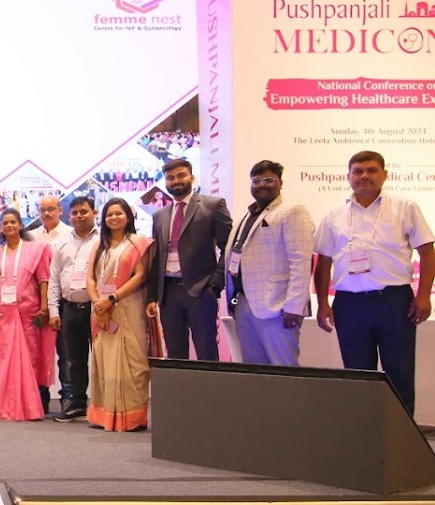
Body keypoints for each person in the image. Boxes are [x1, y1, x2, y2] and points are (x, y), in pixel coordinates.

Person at [314, 150, 435, 416]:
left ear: (385, 174)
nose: (364, 176)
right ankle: (364, 431)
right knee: (358, 374)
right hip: (350, 304)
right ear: (348, 177)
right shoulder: (334, 215)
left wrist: (423, 295)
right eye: (358, 171)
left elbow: (427, 252)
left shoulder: (405, 207)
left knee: (399, 371)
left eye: (371, 170)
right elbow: (323, 262)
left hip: (394, 301)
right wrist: (322, 303)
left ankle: (402, 432)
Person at [223, 160, 315, 367]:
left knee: (284, 368)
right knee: (253, 369)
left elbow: (301, 261)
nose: (262, 185)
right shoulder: (246, 216)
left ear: (280, 182)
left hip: (277, 306)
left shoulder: (292, 211)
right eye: (256, 181)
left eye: (268, 180)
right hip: (244, 302)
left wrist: (295, 306)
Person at [146, 158, 232, 361]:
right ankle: (179, 385)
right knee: (175, 354)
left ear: (191, 177)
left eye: (181, 175)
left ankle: (208, 385)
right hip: (169, 293)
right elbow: (156, 258)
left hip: (200, 291)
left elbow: (229, 248)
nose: (176, 181)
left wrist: (214, 284)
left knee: (206, 352)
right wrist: (152, 296)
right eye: (170, 178)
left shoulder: (212, 206)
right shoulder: (160, 215)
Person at [87, 197, 155, 432]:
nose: (114, 218)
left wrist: (112, 298)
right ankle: (105, 415)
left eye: (118, 213)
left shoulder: (138, 244)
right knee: (105, 359)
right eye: (109, 214)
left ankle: (133, 417)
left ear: (128, 216)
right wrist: (98, 303)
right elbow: (90, 278)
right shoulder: (99, 245)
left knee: (135, 361)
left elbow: (141, 275)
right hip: (101, 310)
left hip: (128, 306)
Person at [0, 208, 51, 421]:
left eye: (13, 222)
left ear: (20, 225)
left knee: (29, 357)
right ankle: (3, 404)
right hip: (2, 314)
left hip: (28, 313)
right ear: (1, 228)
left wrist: (45, 307)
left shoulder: (36, 249)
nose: (9, 225)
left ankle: (29, 405)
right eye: (5, 223)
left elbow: (43, 280)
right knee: (2, 358)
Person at [48, 196, 100, 422]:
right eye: (75, 212)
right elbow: (54, 278)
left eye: (84, 212)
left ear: (94, 213)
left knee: (101, 358)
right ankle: (77, 404)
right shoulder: (62, 241)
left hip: (96, 309)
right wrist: (53, 311)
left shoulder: (102, 239)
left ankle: (102, 406)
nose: (79, 216)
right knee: (74, 359)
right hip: (69, 308)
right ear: (69, 216)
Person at [29, 195, 69, 411]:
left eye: (51, 209)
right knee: (37, 352)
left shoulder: (70, 234)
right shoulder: (31, 236)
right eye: (43, 209)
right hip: (36, 305)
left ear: (60, 211)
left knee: (66, 353)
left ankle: (68, 399)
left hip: (64, 301)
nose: (47, 213)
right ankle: (40, 399)